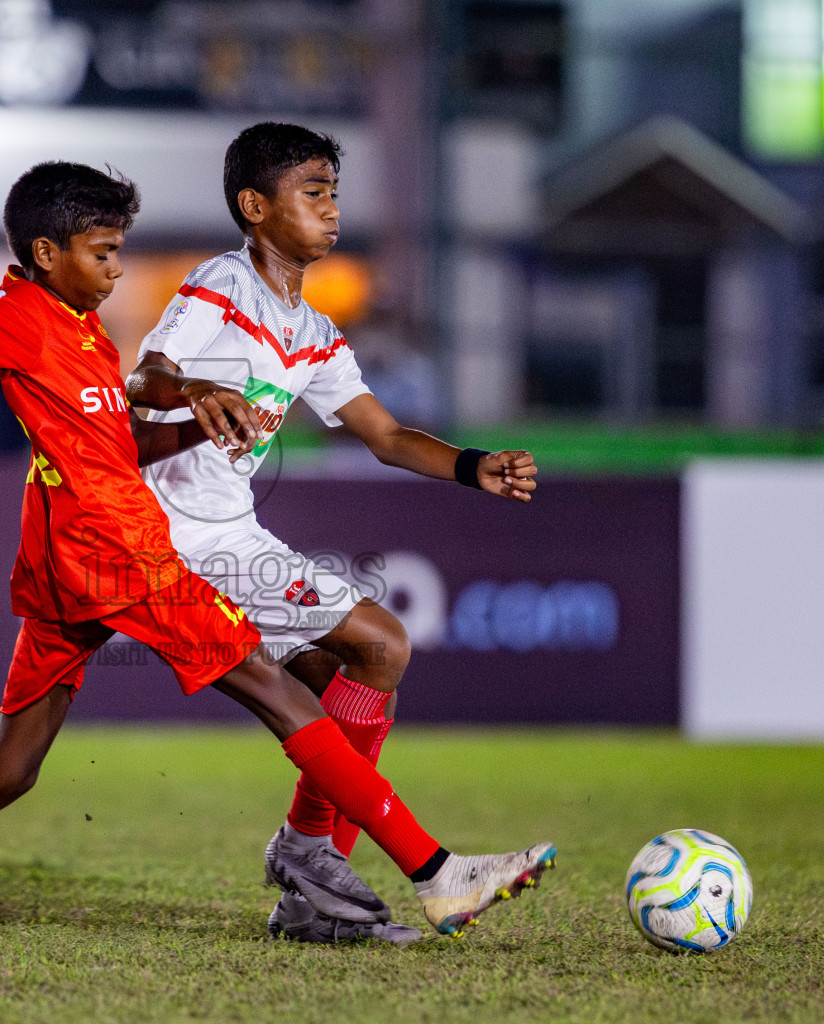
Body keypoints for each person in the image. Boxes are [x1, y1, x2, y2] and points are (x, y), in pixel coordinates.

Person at [0, 149, 554, 944]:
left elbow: (118, 444)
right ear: (47, 253)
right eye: (104, 252)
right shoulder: (21, 317)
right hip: (116, 551)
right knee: (283, 690)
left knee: (9, 772)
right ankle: (435, 870)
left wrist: (199, 422)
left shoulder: (82, 334)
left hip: (64, 566)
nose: (118, 269)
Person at [126, 122, 544, 945]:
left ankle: (309, 891)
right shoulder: (218, 286)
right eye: (312, 191)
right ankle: (345, 860)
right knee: (381, 647)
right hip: (168, 540)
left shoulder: (313, 333)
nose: (331, 207)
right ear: (255, 207)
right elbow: (145, 376)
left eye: (334, 192)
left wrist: (472, 466)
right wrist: (199, 387)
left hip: (233, 537)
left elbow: (385, 437)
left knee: (353, 672)